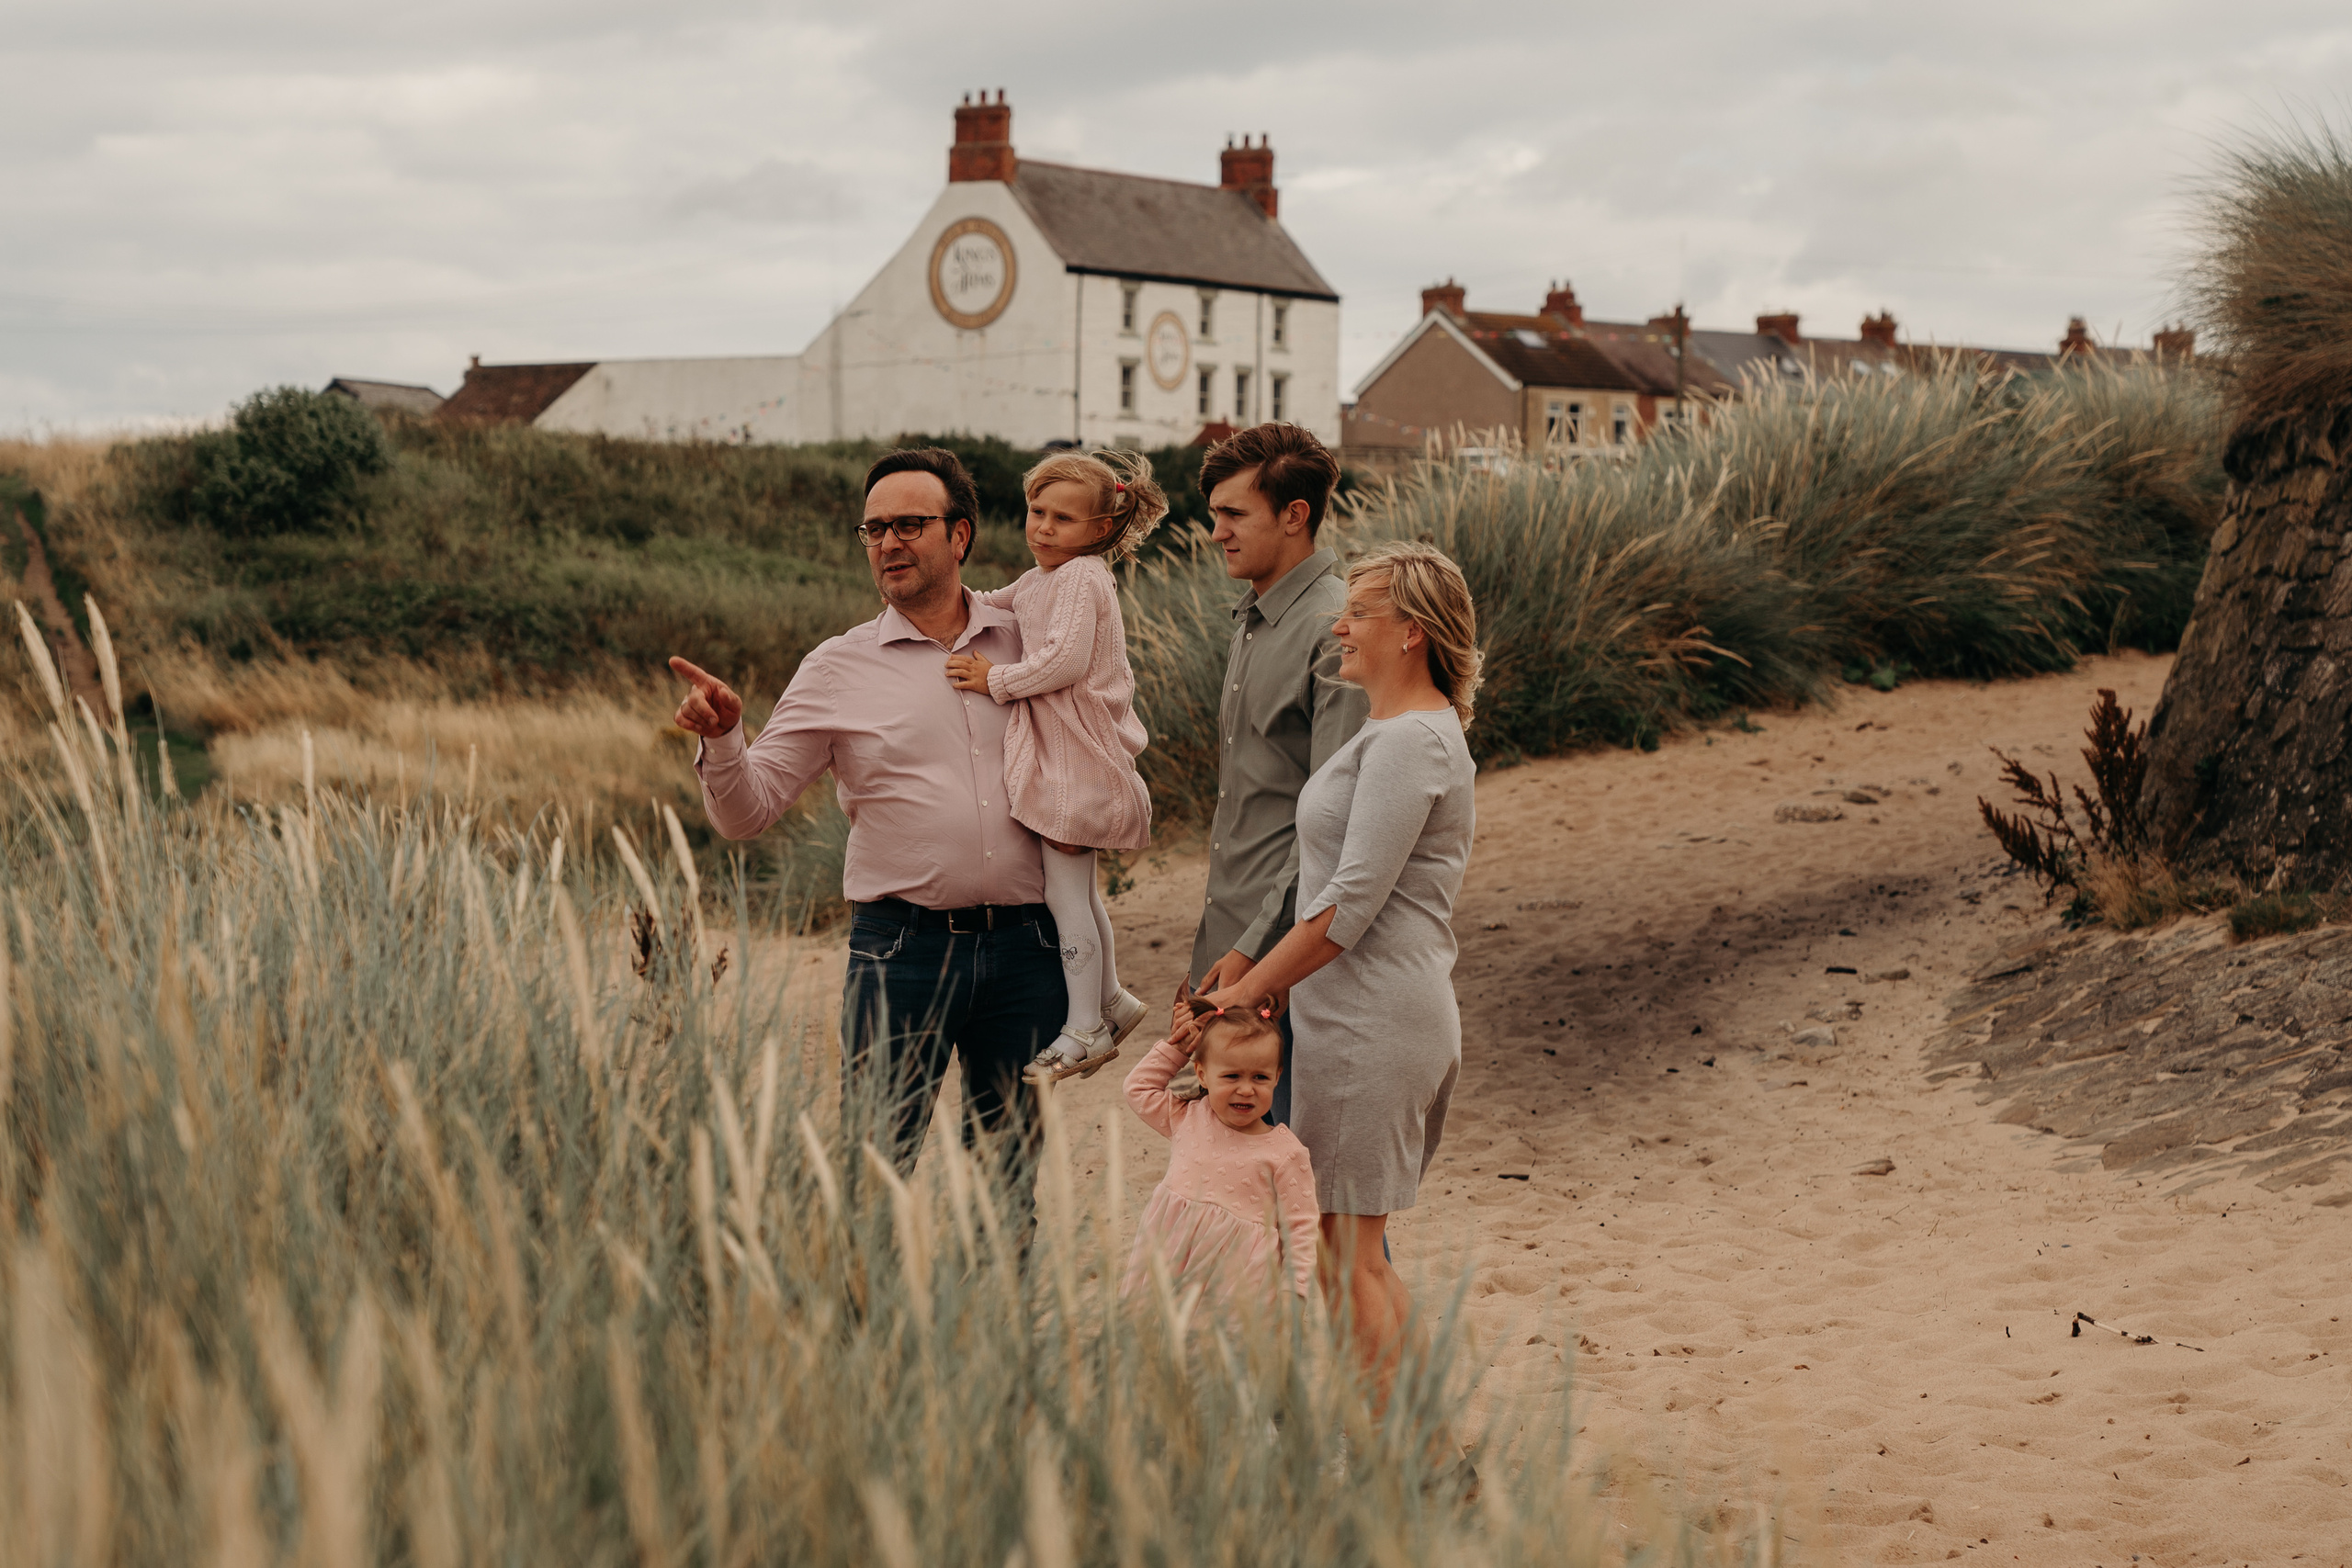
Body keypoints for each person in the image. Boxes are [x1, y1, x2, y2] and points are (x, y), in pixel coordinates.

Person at [668, 447, 1063, 1199]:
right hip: (902, 952)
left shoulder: (1026, 638)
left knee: (1008, 1187)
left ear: (961, 535)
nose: (888, 543)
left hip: (1027, 949)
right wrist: (724, 738)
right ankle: (862, 1319)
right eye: (873, 528)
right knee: (872, 1180)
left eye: (910, 524)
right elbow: (747, 813)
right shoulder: (835, 666)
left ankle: (992, 1319)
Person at [1203, 542, 1481, 1390]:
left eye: (1359, 610)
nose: (1340, 623)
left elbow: (1344, 908)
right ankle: (1427, 1463)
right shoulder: (1391, 730)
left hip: (1372, 1024)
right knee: (1351, 1254)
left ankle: (1418, 1471)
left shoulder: (1412, 743)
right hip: (1351, 1020)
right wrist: (1251, 967)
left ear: (1412, 632)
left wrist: (1249, 993)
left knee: (1344, 1261)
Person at [944, 449, 1165, 1083]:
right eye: (1036, 511)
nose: (1043, 527)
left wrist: (995, 680)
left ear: (1098, 529)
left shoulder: (1083, 578)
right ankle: (1113, 1000)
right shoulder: (1044, 576)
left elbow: (1064, 660)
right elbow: (991, 602)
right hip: (1064, 759)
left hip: (1080, 763)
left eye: (1062, 519)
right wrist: (939, 599)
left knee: (1064, 900)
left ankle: (1085, 1028)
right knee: (1079, 893)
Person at [1186, 423, 1370, 1126]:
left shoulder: (1336, 628)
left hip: (1286, 958)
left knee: (1300, 1190)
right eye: (1214, 516)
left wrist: (1253, 953)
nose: (1216, 532)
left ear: (1296, 515)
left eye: (1234, 515)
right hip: (1233, 944)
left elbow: (1330, 822)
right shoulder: (1255, 618)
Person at [1120, 987, 1318, 1305]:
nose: (1245, 1089)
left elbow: (1301, 1229)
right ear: (1202, 1074)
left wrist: (1294, 1291)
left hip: (1238, 1288)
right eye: (1231, 1076)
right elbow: (1137, 1087)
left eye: (1260, 1077)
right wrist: (1180, 1049)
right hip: (1169, 1264)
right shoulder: (1189, 1117)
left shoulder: (1286, 1152)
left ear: (1277, 1077)